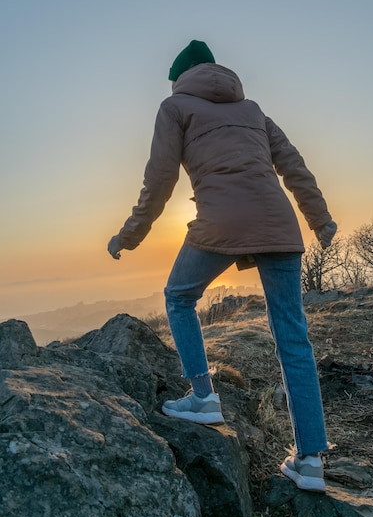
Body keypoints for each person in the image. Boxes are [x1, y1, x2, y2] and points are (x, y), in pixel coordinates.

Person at [108, 40, 337, 493]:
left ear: (179, 78)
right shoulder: (253, 110)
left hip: (221, 223)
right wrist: (321, 220)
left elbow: (159, 179)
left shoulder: (175, 107)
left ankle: (202, 395)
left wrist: (129, 235)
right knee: (293, 337)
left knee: (178, 297)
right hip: (279, 226)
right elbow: (295, 168)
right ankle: (310, 461)